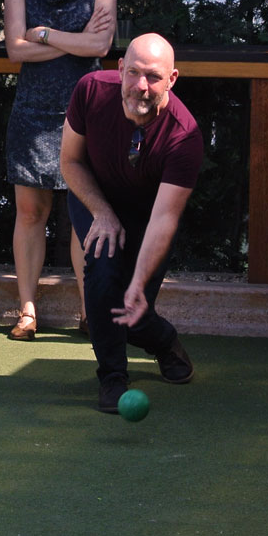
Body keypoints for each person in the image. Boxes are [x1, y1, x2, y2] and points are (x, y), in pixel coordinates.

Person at [60, 34, 202, 412]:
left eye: (153, 77)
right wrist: (102, 213)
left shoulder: (184, 135)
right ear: (120, 69)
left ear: (172, 79)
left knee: (133, 311)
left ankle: (163, 340)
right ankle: (112, 378)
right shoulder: (90, 90)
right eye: (134, 73)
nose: (141, 85)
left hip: (148, 215)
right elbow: (70, 162)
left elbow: (166, 217)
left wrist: (138, 284)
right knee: (103, 275)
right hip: (93, 196)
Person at [3, 0, 118, 340]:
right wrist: (74, 38)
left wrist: (45, 34)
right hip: (32, 109)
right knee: (30, 212)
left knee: (82, 214)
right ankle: (27, 310)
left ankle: (90, 309)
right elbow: (15, 49)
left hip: (86, 110)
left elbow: (101, 47)